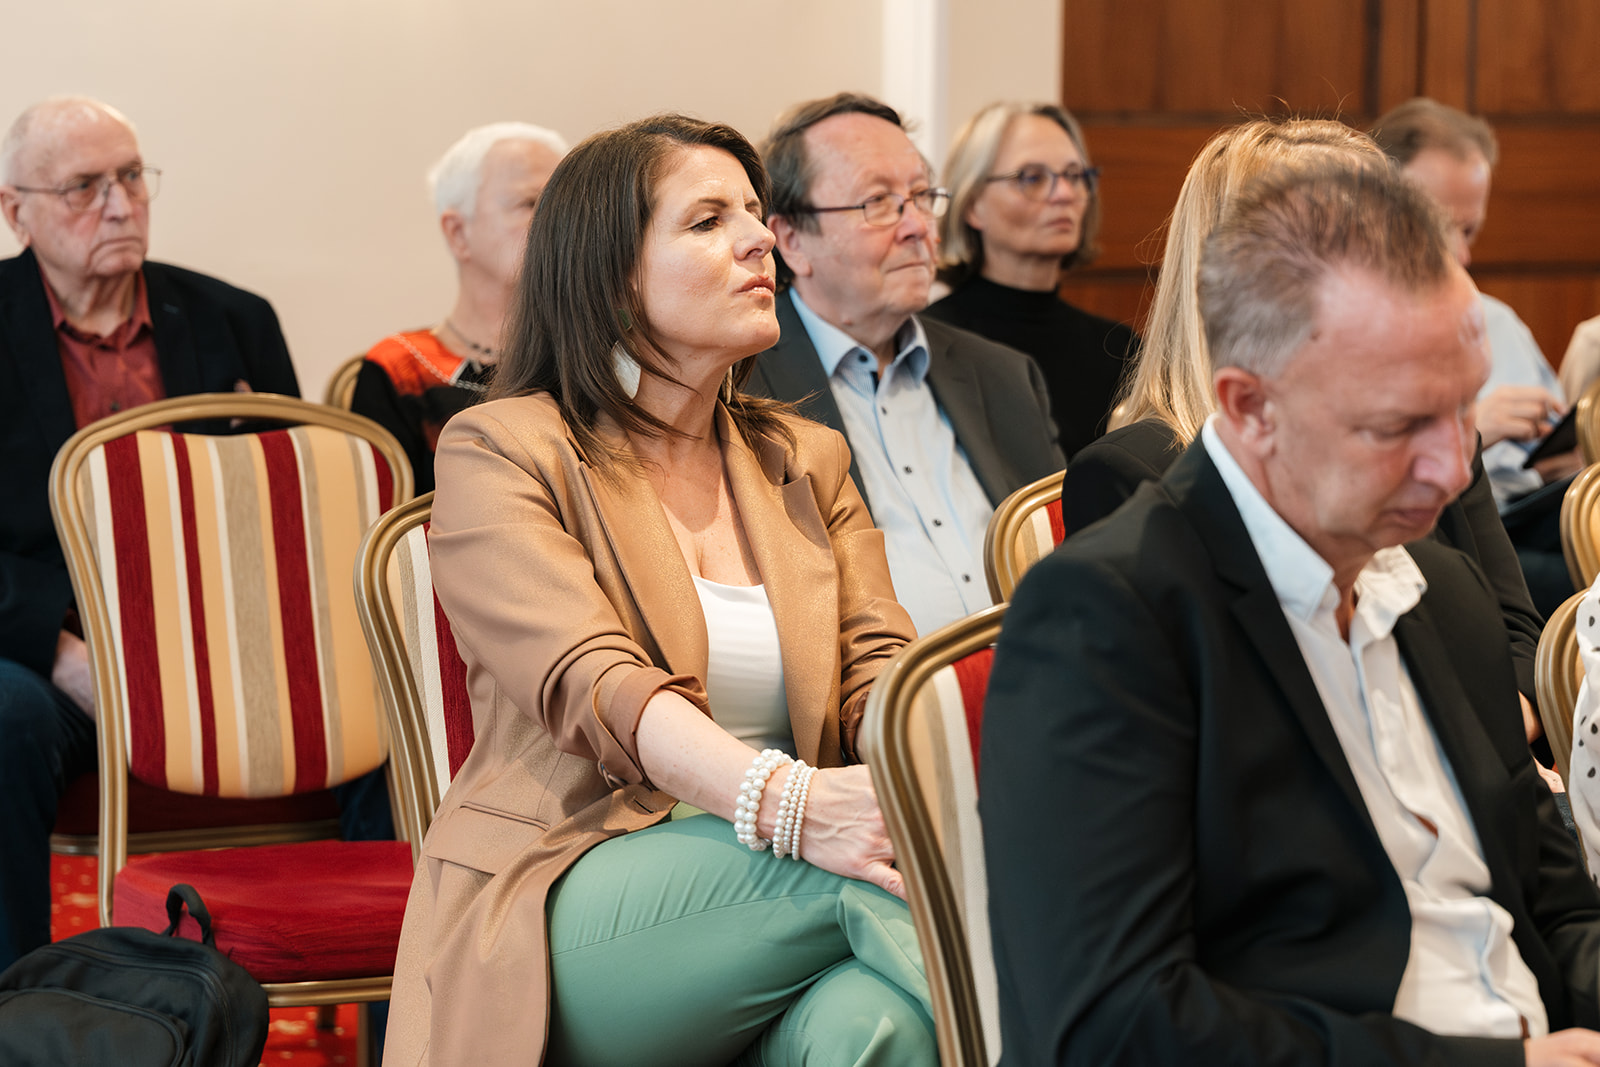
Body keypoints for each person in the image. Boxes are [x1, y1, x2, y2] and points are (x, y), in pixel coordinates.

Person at [983, 157, 1600, 1066]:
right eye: (1399, 425)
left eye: (1464, 410)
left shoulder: (1439, 590)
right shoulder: (1107, 618)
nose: (1453, 468)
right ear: (1250, 406)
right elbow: (1117, 1021)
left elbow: (1558, 909)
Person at [384, 114, 934, 1066]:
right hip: (567, 883)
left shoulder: (805, 458)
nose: (760, 239)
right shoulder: (503, 448)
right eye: (709, 220)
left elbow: (879, 668)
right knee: (860, 881)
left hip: (794, 871)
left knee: (875, 1028)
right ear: (610, 275)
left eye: (755, 213)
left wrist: (928, 773)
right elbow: (599, 687)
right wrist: (794, 804)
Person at [1062, 118, 1547, 746]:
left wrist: (1483, 763)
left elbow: (1514, 639)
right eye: (1362, 252)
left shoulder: (1436, 443)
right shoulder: (1136, 474)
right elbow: (1229, 732)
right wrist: (1460, 749)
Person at [0, 96, 303, 970]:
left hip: (223, 645)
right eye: (85, 187)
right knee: (2, 719)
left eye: (131, 177)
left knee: (392, 707)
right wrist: (63, 652)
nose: (121, 206)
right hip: (55, 658)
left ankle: (418, 1012)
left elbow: (296, 514)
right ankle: (19, 1005)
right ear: (16, 210)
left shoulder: (234, 319)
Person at [744, 92, 1065, 638]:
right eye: (878, 202)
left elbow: (1069, 550)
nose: (917, 226)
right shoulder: (745, 387)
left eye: (921, 196)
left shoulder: (1002, 375)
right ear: (792, 240)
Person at [1372, 98, 1578, 614]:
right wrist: (1475, 427)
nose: (1462, 255)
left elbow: (1558, 453)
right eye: (1441, 227)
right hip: (1443, 533)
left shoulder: (1498, 321)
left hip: (1535, 515)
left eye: (1470, 232)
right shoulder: (1360, 336)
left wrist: (1566, 460)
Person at [352, 122, 568, 493]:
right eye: (530, 204)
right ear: (458, 232)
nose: (555, 223)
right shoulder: (401, 369)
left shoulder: (597, 358)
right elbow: (383, 519)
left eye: (562, 205)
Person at [922, 101, 1137, 459]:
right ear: (973, 205)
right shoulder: (924, 346)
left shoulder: (1120, 350)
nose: (1064, 194)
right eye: (1032, 178)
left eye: (1074, 175)